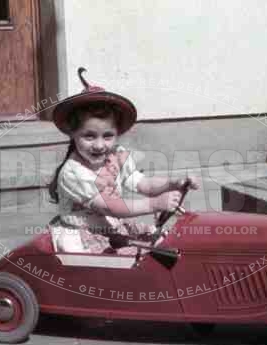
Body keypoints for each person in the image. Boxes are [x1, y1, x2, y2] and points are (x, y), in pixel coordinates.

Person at [48, 67, 199, 254]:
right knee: (126, 257)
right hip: (84, 235)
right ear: (73, 134)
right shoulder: (73, 172)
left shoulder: (116, 156)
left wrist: (172, 183)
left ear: (117, 134)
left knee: (159, 243)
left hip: (111, 227)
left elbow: (143, 184)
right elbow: (111, 206)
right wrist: (153, 204)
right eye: (89, 136)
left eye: (108, 136)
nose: (99, 145)